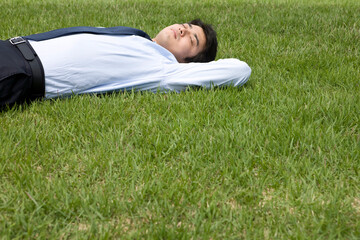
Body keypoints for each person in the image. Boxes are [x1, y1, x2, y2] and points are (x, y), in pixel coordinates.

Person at [0, 19, 251, 109]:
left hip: (18, 72)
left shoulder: (164, 70)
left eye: (192, 39)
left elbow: (240, 70)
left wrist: (193, 70)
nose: (182, 31)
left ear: (192, 62)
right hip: (11, 47)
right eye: (185, 26)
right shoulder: (135, 37)